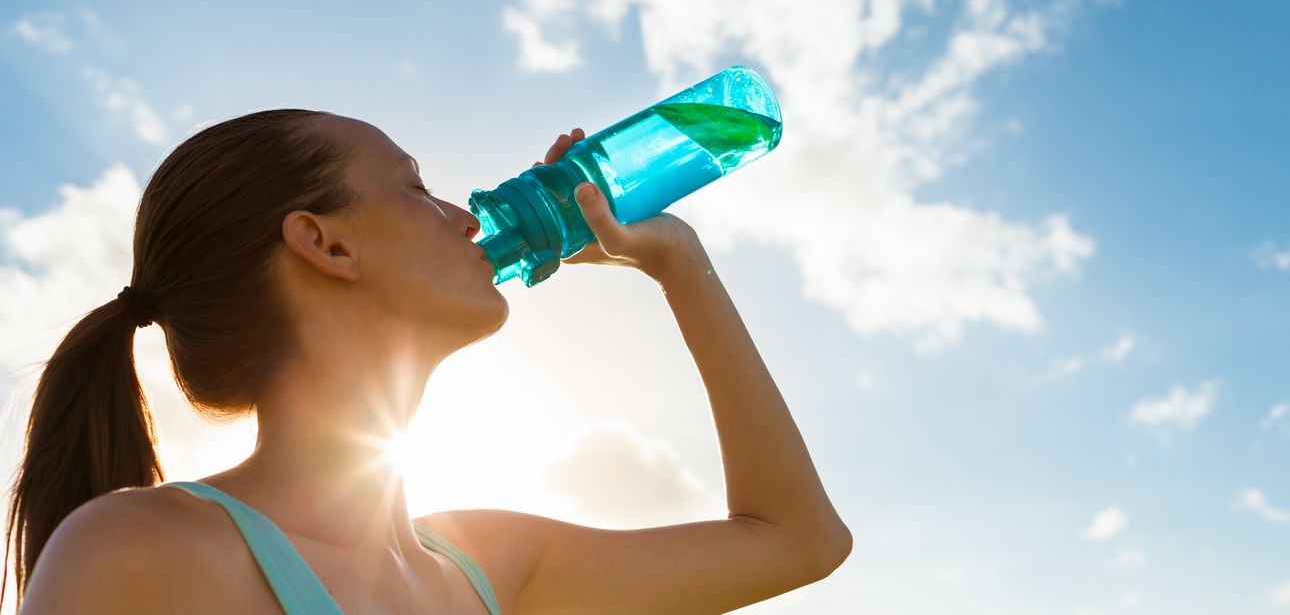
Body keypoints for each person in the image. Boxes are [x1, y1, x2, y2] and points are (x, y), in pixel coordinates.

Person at [6, 109, 851, 613]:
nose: (466, 216)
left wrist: (677, 265)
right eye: (414, 186)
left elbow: (800, 540)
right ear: (326, 243)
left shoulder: (486, 568)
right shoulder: (138, 552)